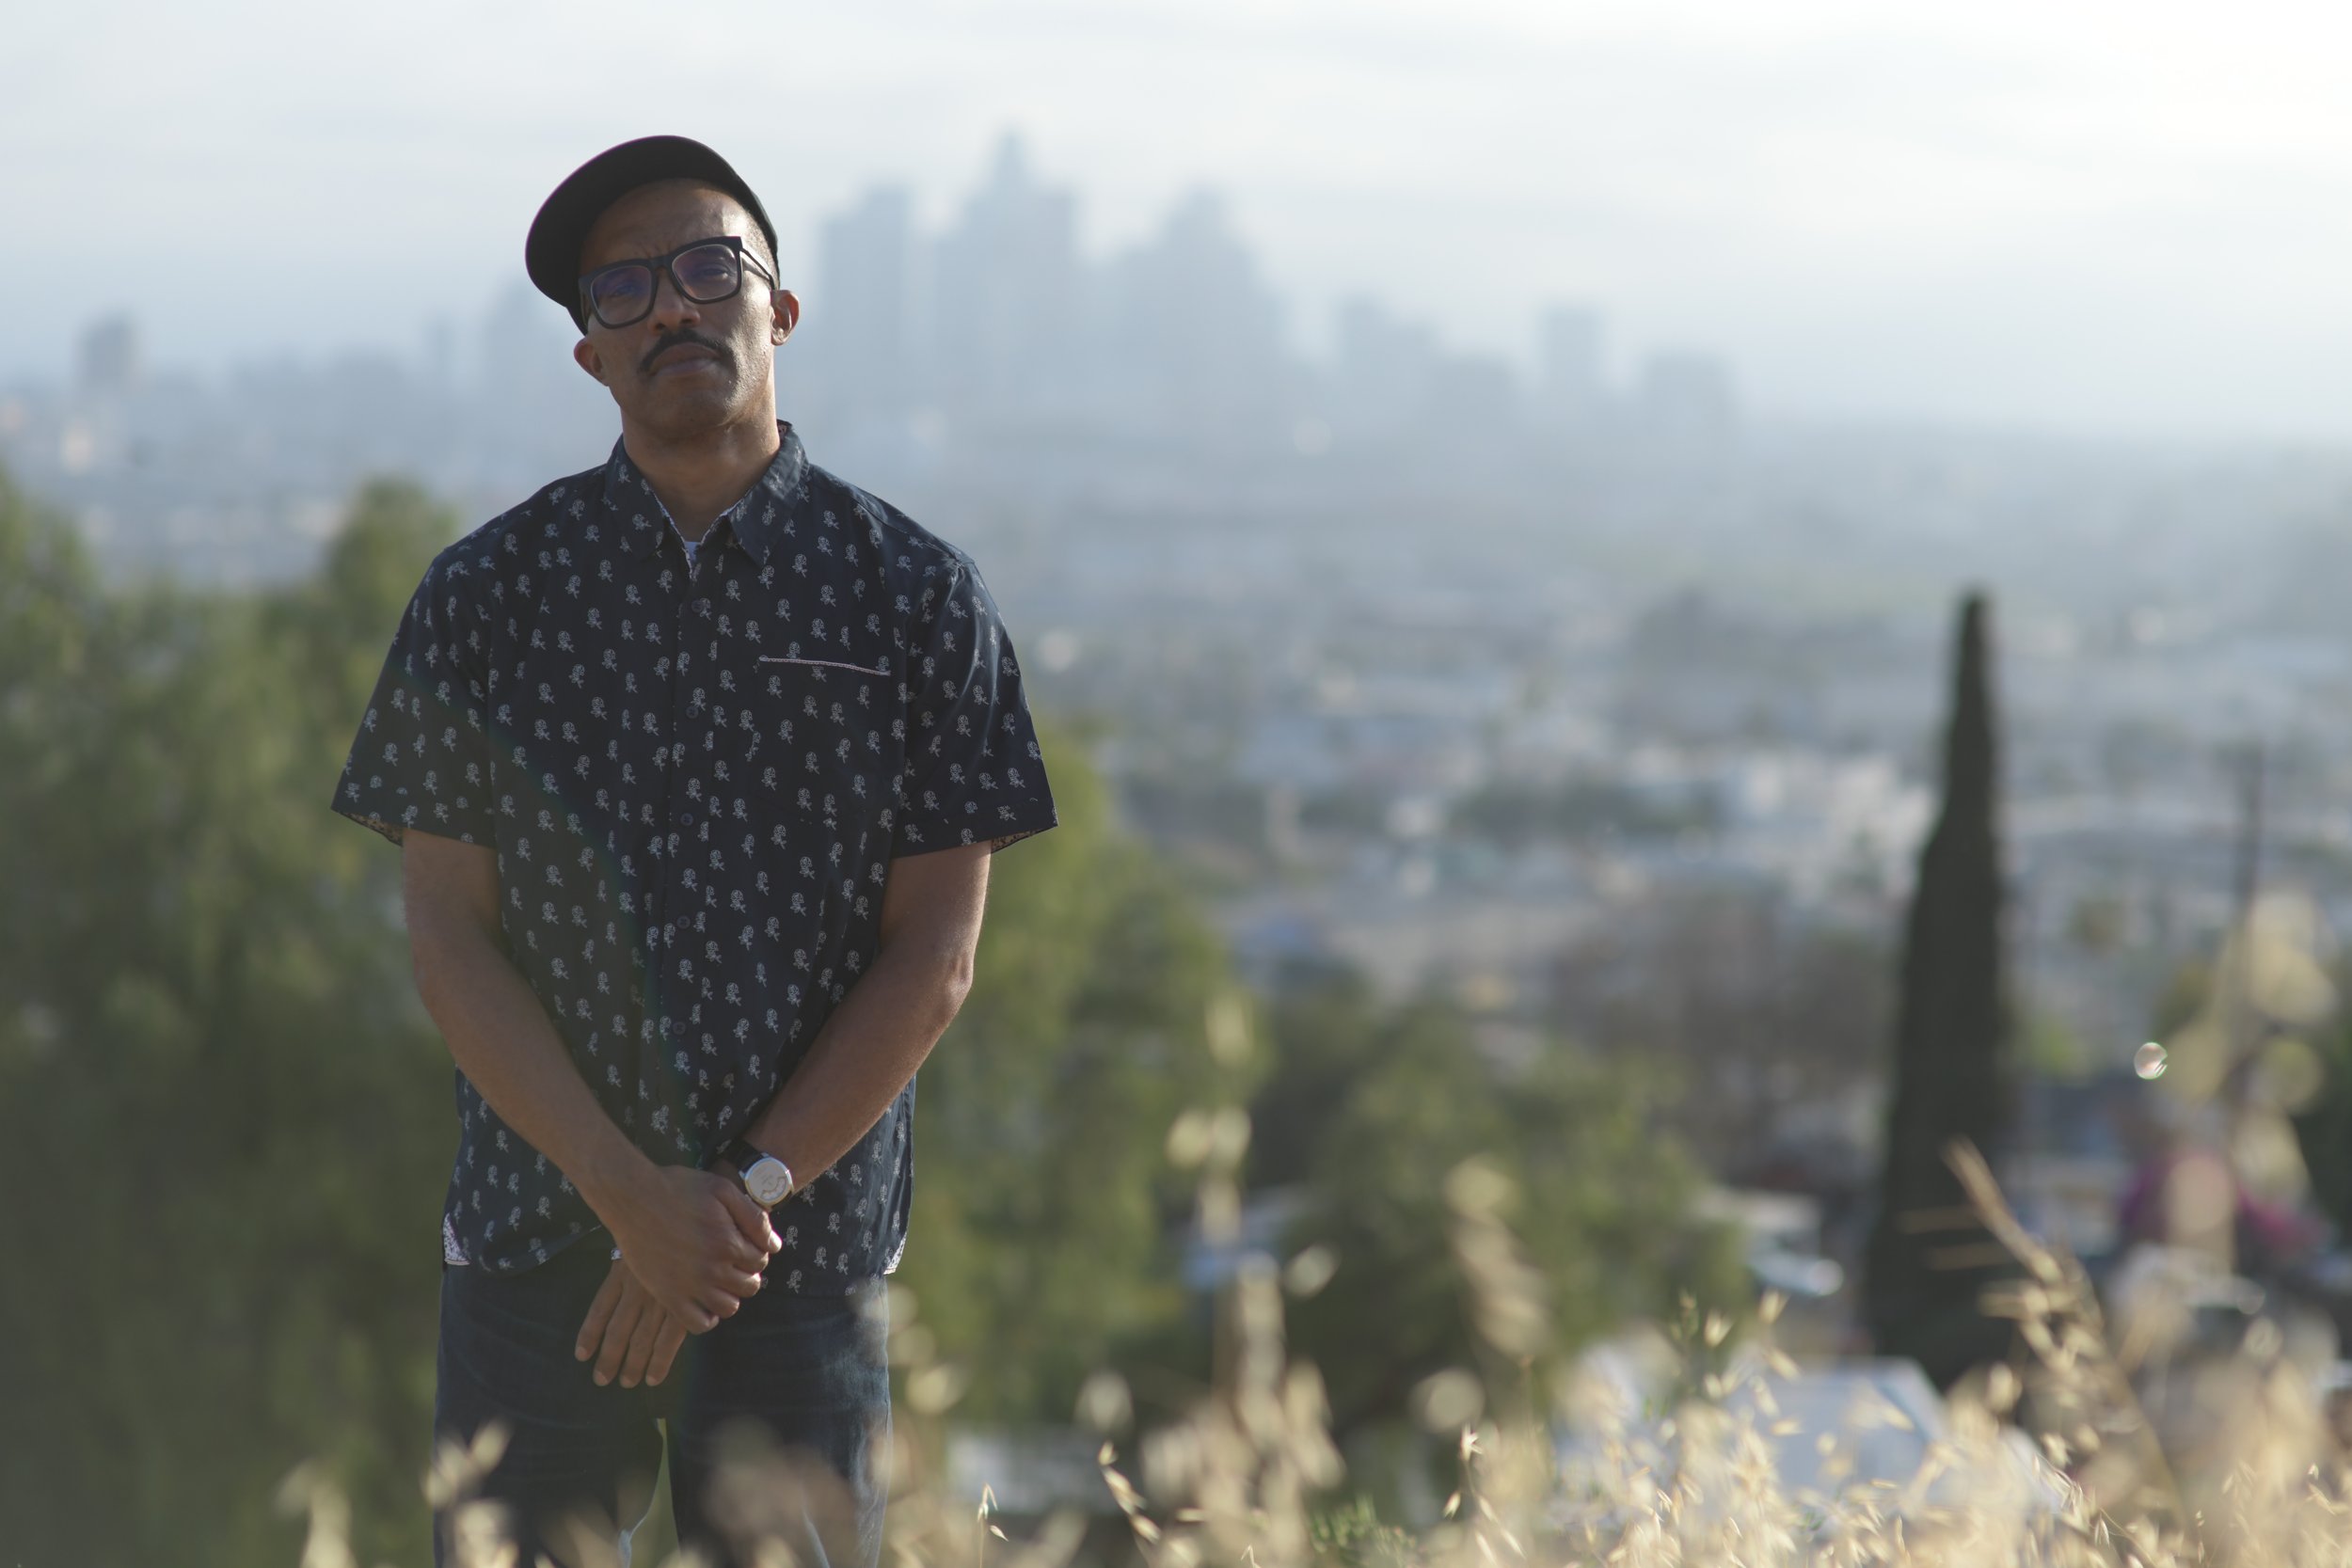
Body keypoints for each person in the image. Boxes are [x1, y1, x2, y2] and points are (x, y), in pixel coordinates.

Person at [331, 135, 1058, 1568]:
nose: (670, 305)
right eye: (622, 290)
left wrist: (728, 1209)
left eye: (707, 266)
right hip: (541, 1236)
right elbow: (447, 940)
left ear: (778, 310)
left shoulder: (914, 598)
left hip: (795, 1255)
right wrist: (624, 1191)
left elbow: (939, 955)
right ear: (592, 357)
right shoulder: (487, 597)